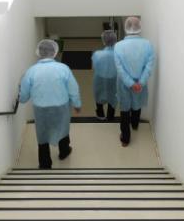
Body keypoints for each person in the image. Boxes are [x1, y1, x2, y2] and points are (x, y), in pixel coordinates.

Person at [19, 39, 82, 168]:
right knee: (62, 127)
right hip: (61, 106)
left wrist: (21, 98)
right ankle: (64, 152)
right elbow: (73, 89)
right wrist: (77, 104)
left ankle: (45, 163)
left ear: (39, 52)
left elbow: (24, 96)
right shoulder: (63, 68)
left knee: (42, 134)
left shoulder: (31, 71)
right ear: (54, 52)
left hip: (40, 108)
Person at [113, 17, 154, 147]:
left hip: (123, 83)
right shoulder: (148, 45)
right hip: (141, 83)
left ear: (126, 28)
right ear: (139, 27)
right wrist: (140, 83)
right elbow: (149, 66)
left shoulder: (118, 46)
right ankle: (135, 124)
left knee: (124, 110)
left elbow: (120, 69)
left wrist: (130, 83)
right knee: (137, 104)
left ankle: (125, 139)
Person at [91, 30, 118, 121]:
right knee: (113, 97)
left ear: (104, 41)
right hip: (114, 79)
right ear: (115, 40)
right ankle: (110, 117)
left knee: (98, 95)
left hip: (99, 79)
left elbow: (94, 66)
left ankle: (100, 115)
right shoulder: (118, 54)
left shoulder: (97, 54)